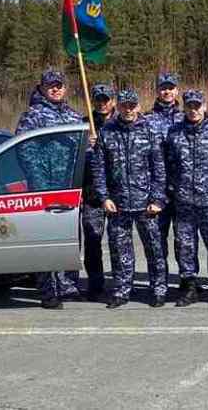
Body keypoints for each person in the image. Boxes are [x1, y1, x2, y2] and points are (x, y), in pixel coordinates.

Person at [92, 89, 168, 308]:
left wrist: (157, 199)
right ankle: (122, 290)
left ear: (138, 106)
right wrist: (104, 196)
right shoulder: (107, 131)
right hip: (118, 203)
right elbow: (99, 168)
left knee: (154, 248)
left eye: (132, 105)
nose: (128, 109)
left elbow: (159, 169)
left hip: (146, 203)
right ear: (118, 105)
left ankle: (158, 289)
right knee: (119, 249)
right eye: (124, 105)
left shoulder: (150, 130)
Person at [15, 69, 85, 309]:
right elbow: (25, 150)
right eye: (51, 85)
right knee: (45, 241)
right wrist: (41, 186)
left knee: (69, 238)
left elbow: (80, 152)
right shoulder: (32, 116)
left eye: (60, 85)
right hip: (44, 189)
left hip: (69, 189)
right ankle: (48, 291)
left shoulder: (74, 116)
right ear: (42, 88)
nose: (56, 89)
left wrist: (90, 144)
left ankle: (67, 286)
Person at [166, 90, 208, 307]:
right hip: (184, 200)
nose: (193, 110)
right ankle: (190, 286)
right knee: (185, 245)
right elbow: (170, 164)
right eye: (189, 106)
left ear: (205, 106)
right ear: (184, 107)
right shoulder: (175, 133)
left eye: (197, 106)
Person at [145, 72, 184, 273]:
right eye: (163, 88)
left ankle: (187, 282)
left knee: (184, 240)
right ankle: (160, 282)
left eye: (170, 87)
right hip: (156, 190)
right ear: (157, 91)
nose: (167, 91)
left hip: (182, 190)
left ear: (177, 90)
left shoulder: (187, 117)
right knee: (157, 240)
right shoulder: (146, 120)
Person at [81, 83, 115, 302]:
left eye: (106, 99)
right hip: (92, 194)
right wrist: (86, 145)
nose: (102, 104)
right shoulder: (84, 125)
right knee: (93, 241)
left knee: (119, 242)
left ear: (113, 101)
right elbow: (74, 160)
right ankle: (95, 284)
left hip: (117, 194)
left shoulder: (121, 123)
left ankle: (122, 282)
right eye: (98, 100)